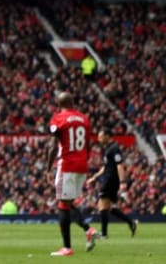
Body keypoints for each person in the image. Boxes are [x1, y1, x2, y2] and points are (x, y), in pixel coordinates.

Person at [46, 91, 100, 256]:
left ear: (58, 104)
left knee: (63, 206)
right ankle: (88, 229)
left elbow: (53, 146)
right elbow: (89, 145)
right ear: (73, 103)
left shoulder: (58, 118)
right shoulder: (84, 119)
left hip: (67, 165)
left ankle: (67, 248)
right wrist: (84, 160)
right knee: (67, 203)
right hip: (82, 165)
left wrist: (48, 167)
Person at [86, 129, 138, 239]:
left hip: (111, 180)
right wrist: (95, 177)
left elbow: (120, 165)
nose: (98, 138)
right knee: (108, 208)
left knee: (101, 205)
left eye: (101, 136)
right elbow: (105, 167)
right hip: (109, 179)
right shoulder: (108, 149)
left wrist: (123, 182)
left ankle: (104, 234)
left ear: (107, 136)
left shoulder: (114, 148)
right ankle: (130, 222)